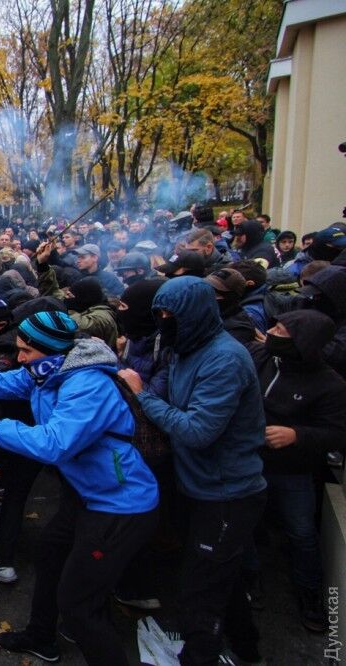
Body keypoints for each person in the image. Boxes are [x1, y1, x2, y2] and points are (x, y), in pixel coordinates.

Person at [0, 310, 159, 664]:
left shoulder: (86, 384)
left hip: (119, 504)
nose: (20, 358)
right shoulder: (48, 370)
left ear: (50, 349)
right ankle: (41, 636)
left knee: (79, 605)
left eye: (26, 352)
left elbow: (56, 443)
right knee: (50, 554)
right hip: (86, 494)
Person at [120, 276, 267, 665]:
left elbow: (198, 430)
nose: (164, 321)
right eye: (160, 314)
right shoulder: (183, 348)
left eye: (171, 315)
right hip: (199, 487)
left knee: (199, 592)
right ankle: (248, 650)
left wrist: (141, 395)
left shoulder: (225, 359)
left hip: (227, 495)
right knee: (224, 580)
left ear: (197, 314)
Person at [248, 310, 346, 632]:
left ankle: (310, 594)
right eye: (274, 325)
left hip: (291, 470)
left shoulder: (329, 385)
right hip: (247, 461)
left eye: (281, 330)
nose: (271, 332)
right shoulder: (260, 355)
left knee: (302, 533)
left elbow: (336, 432)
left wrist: (297, 435)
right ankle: (251, 580)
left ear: (304, 343)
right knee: (246, 525)